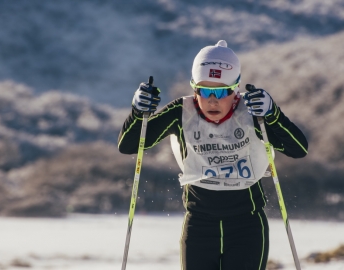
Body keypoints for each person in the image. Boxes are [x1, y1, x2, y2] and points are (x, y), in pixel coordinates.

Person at [117, 40, 308, 270]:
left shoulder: (251, 113)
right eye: (204, 90)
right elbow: (129, 145)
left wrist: (273, 114)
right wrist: (138, 112)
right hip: (199, 225)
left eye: (221, 91)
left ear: (236, 88)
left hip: (246, 226)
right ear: (194, 88)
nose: (212, 100)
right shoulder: (181, 112)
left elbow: (298, 149)